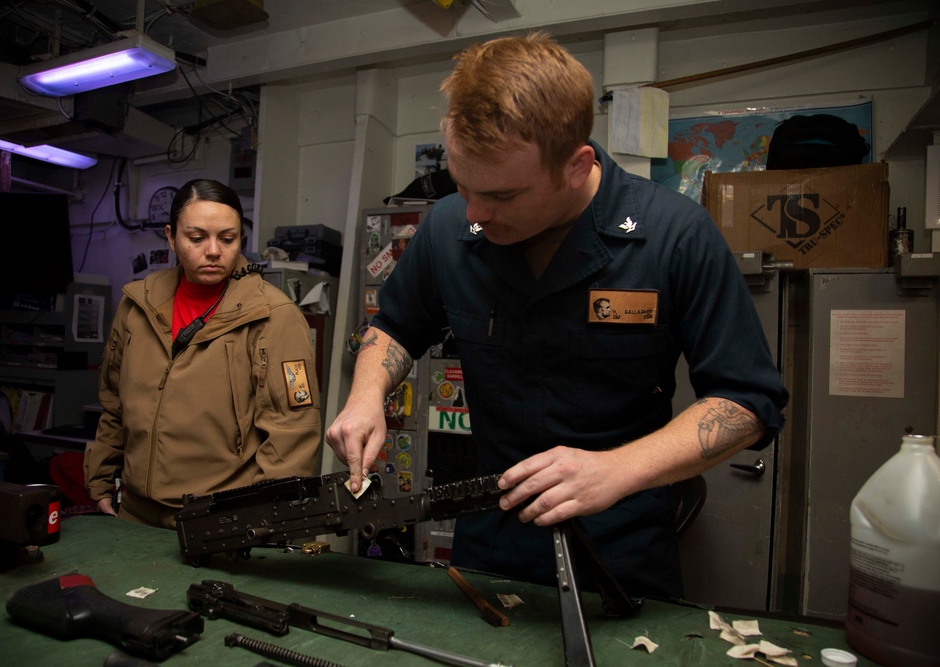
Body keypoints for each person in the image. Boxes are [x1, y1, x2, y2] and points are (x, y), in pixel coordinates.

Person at [325, 33, 788, 598]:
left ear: (577, 165)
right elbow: (394, 326)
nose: (475, 213)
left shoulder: (675, 236)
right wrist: (365, 395)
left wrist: (618, 469)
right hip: (488, 544)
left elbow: (746, 403)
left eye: (502, 196)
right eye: (462, 186)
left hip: (619, 554)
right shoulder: (450, 228)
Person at [84, 179, 322, 529]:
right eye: (196, 238)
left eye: (228, 239)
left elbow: (292, 435)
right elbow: (114, 407)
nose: (213, 251)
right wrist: (100, 478)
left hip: (218, 522)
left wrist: (260, 521)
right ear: (171, 236)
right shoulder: (137, 306)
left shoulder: (274, 316)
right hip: (134, 515)